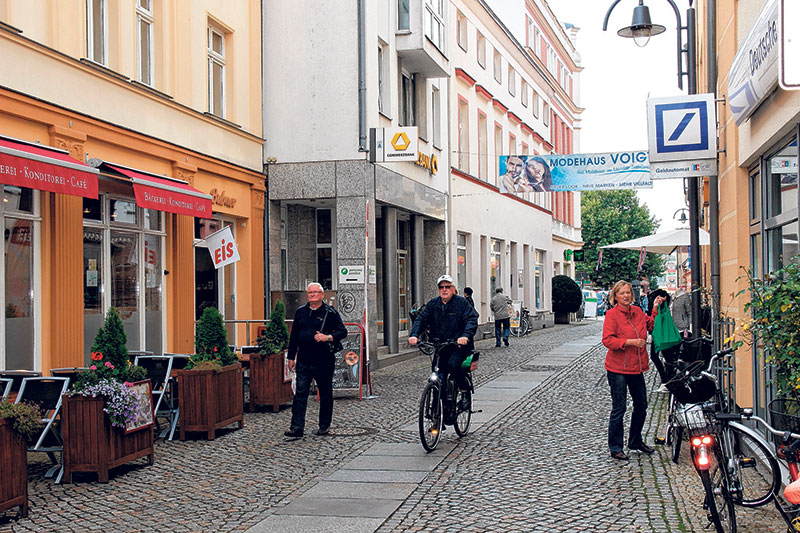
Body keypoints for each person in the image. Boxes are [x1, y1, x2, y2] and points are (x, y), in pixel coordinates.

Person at [602, 280, 665, 460]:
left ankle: (635, 441)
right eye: (622, 293)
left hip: (636, 367)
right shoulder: (612, 315)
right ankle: (615, 447)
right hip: (618, 368)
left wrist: (654, 308)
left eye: (628, 292)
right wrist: (629, 342)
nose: (626, 296)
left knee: (642, 406)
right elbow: (607, 340)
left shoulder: (637, 312)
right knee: (619, 407)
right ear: (615, 296)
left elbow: (650, 326)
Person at [284, 282, 348, 440]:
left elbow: (343, 331)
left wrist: (327, 337)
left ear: (322, 295)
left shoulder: (330, 312)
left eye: (315, 293)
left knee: (325, 393)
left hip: (324, 359)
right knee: (300, 393)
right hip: (304, 359)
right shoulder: (301, 312)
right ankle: (296, 427)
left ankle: (324, 426)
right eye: (309, 293)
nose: (312, 295)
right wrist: (291, 357)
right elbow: (294, 336)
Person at [408, 275, 478, 402]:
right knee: (437, 371)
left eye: (447, 287)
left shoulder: (462, 303)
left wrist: (465, 336)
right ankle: (439, 406)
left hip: (459, 346)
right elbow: (421, 319)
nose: (444, 290)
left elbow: (471, 320)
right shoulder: (433, 304)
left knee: (453, 365)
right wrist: (414, 335)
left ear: (453, 289)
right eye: (441, 287)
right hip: (441, 345)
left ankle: (464, 390)